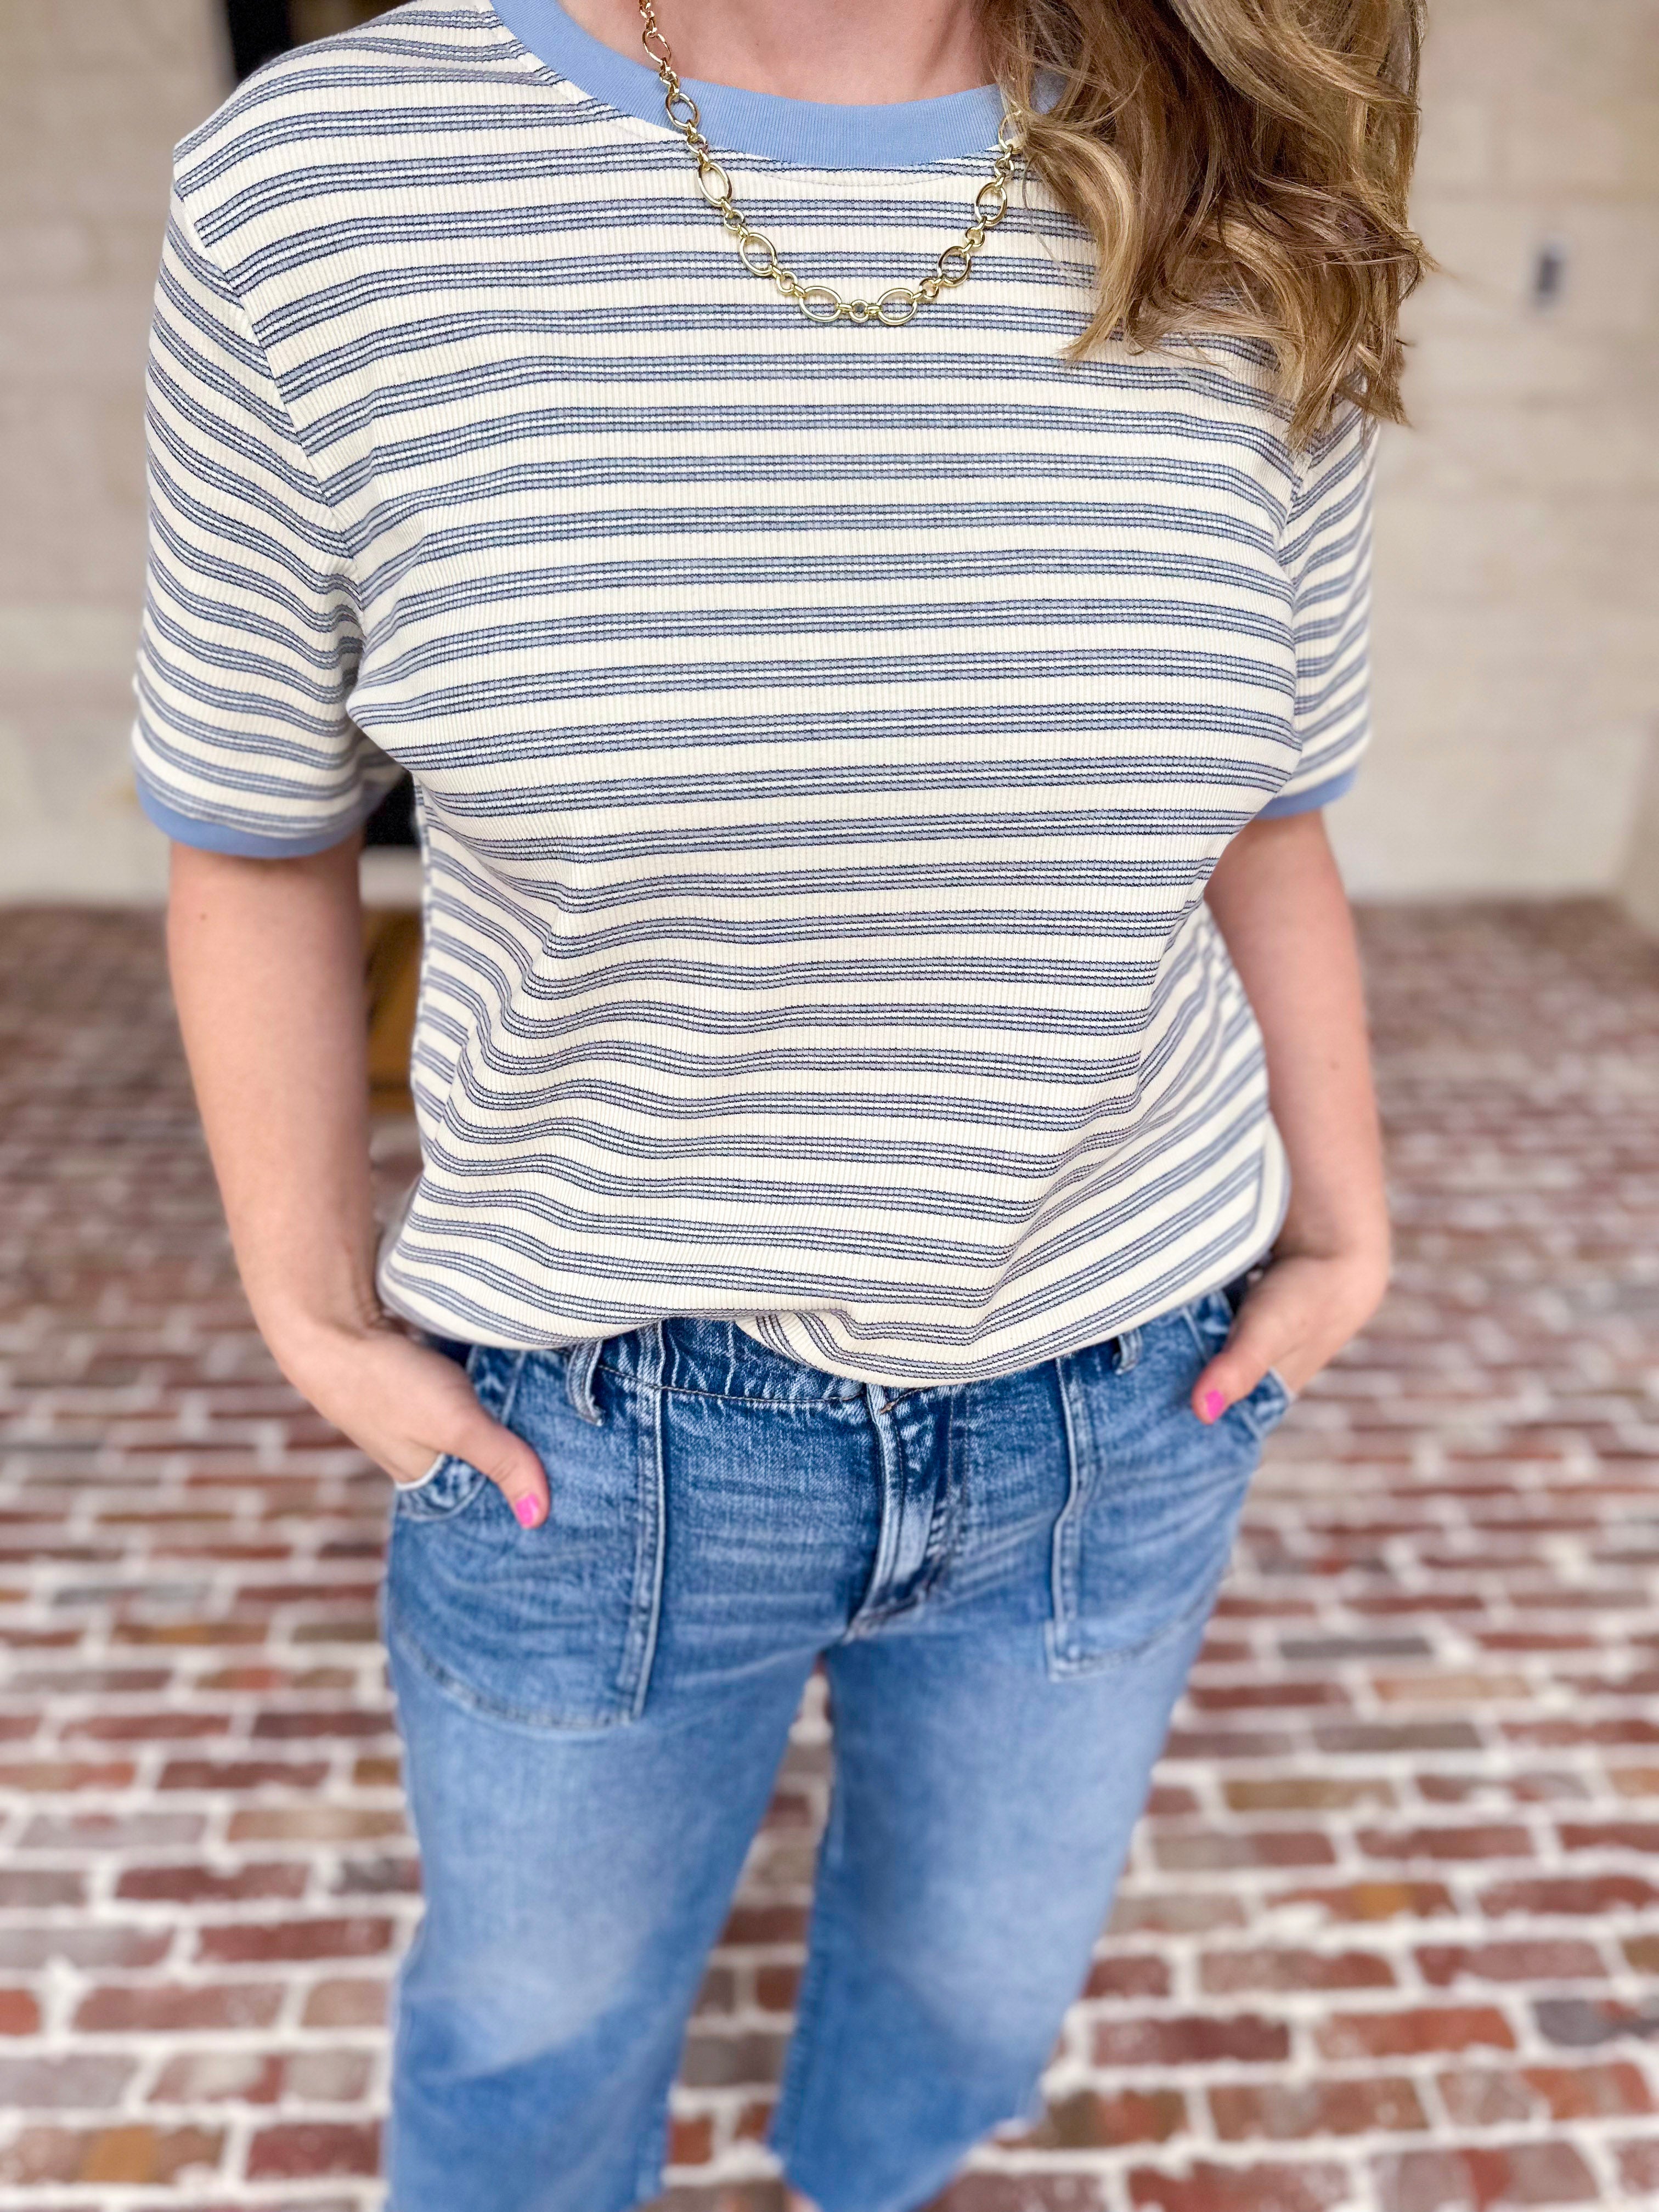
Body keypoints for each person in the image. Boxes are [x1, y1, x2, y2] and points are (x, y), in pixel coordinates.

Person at [136, 0, 1424, 2205]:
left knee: (972, 2005)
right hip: (602, 1438)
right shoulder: (319, 188)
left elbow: (1263, 815)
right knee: (531, 2036)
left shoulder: (1239, 158)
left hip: (1124, 1394)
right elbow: (256, 825)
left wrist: (1348, 1214)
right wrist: (309, 1302)